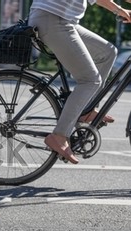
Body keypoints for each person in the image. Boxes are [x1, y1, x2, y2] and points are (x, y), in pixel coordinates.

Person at [28, 0, 131, 164]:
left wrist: (121, 8)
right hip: (52, 20)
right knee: (90, 80)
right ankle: (59, 135)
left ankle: (87, 110)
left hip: (63, 20)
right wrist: (119, 10)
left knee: (108, 52)